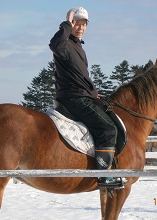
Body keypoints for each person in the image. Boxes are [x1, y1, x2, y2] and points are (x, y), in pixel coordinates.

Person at [49, 7, 126, 189]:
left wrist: (93, 93)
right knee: (107, 129)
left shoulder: (78, 47)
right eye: (77, 23)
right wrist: (66, 25)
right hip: (73, 98)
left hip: (82, 95)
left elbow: (80, 77)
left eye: (84, 24)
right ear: (71, 23)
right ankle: (103, 177)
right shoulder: (65, 43)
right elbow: (55, 44)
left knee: (110, 118)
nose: (80, 27)